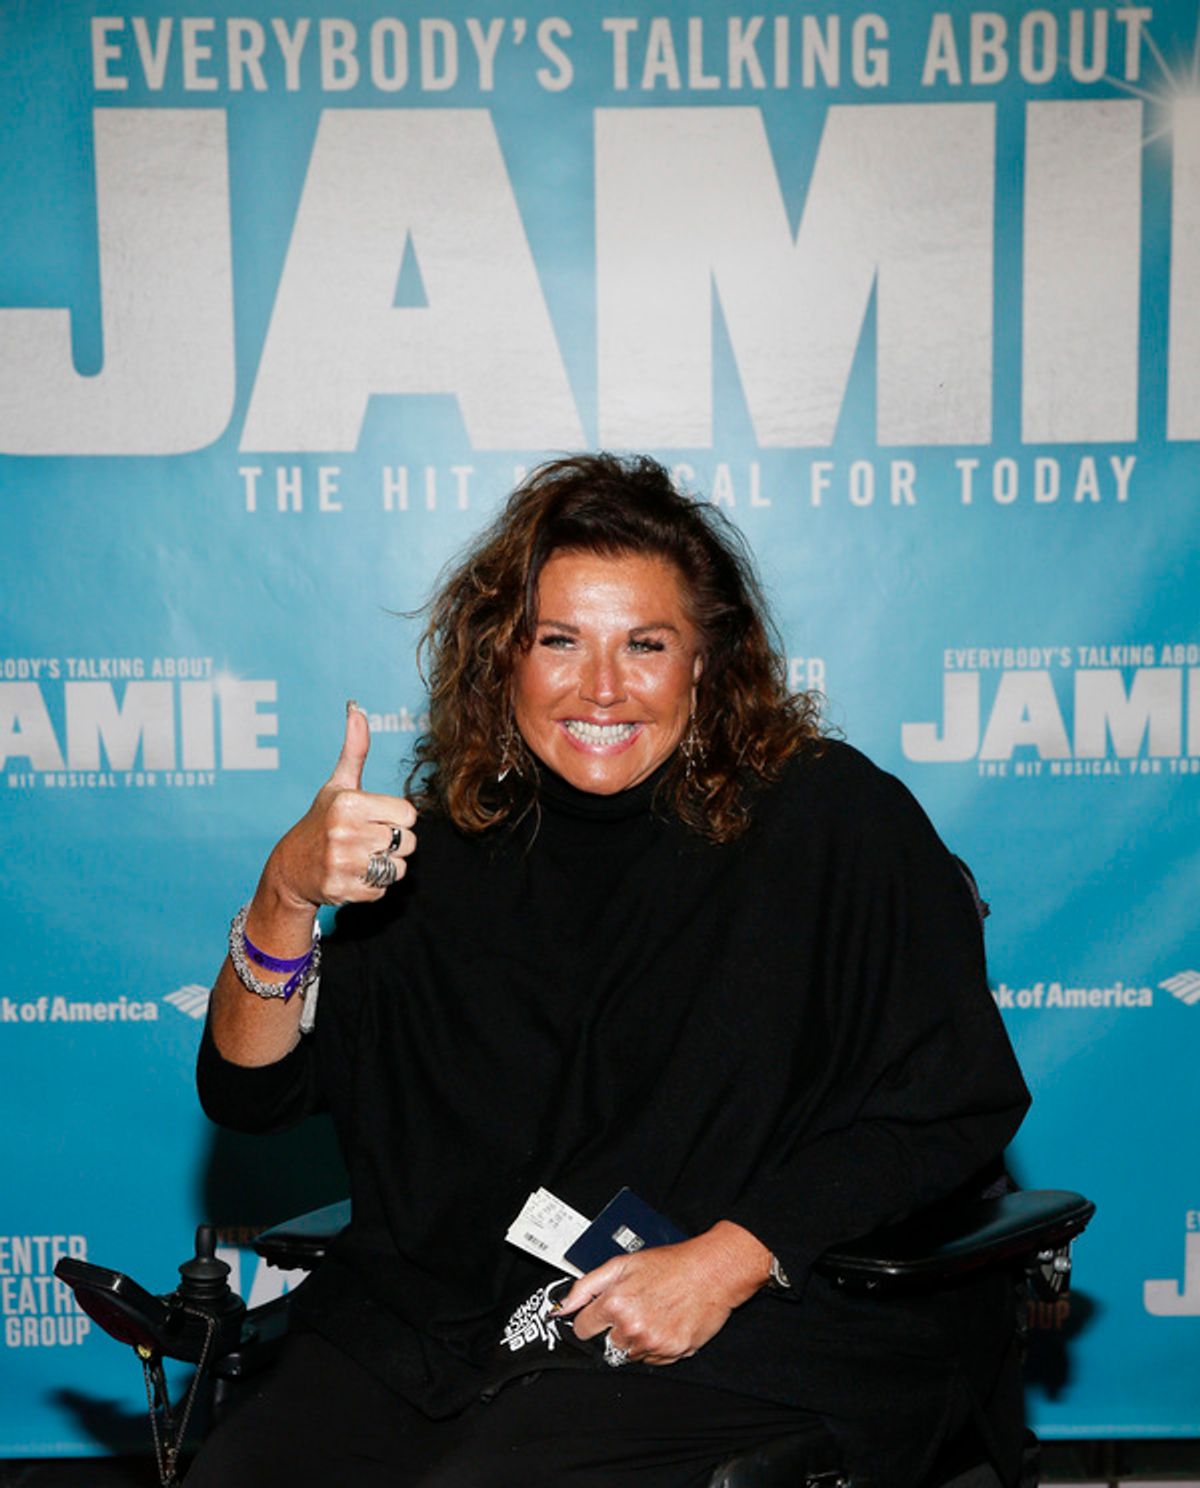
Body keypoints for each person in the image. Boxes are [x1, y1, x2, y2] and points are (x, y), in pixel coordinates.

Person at [191, 454, 1030, 1488]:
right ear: (504, 660)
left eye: (645, 644)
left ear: (707, 664)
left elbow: (954, 1103)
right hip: (444, 1321)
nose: (601, 686)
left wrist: (731, 1259)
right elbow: (248, 1090)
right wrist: (286, 895)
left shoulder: (828, 821)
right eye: (559, 641)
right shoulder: (435, 856)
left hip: (754, 1318)